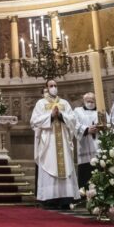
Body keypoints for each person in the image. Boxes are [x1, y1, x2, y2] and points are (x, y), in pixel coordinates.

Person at [31, 78, 78, 209]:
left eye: (55, 85)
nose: (53, 87)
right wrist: (51, 116)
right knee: (49, 166)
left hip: (63, 139)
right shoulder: (41, 103)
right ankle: (49, 199)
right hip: (49, 141)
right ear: (46, 88)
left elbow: (73, 120)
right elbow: (34, 121)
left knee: (66, 167)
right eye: (51, 85)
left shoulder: (64, 103)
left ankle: (65, 199)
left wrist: (61, 115)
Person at [73, 92, 102, 191]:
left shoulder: (100, 111)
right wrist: (86, 129)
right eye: (88, 101)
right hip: (84, 146)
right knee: (86, 172)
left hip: (98, 146)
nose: (90, 103)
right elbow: (74, 124)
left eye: (92, 101)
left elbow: (108, 124)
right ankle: (84, 195)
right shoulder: (77, 111)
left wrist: (99, 127)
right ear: (84, 101)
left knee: (99, 169)